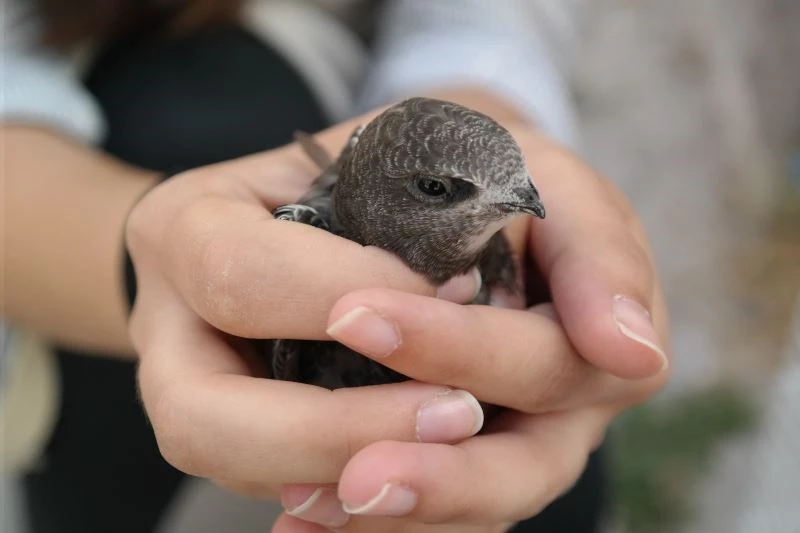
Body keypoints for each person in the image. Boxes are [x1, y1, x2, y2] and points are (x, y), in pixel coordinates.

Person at [1, 1, 671, 532]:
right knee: (199, 120)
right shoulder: (310, 234)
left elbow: (483, 18)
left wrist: (487, 98)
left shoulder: (497, 255)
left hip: (358, 84)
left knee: (531, 497)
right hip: (114, 105)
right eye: (442, 191)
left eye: (515, 184)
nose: (523, 202)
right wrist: (160, 265)